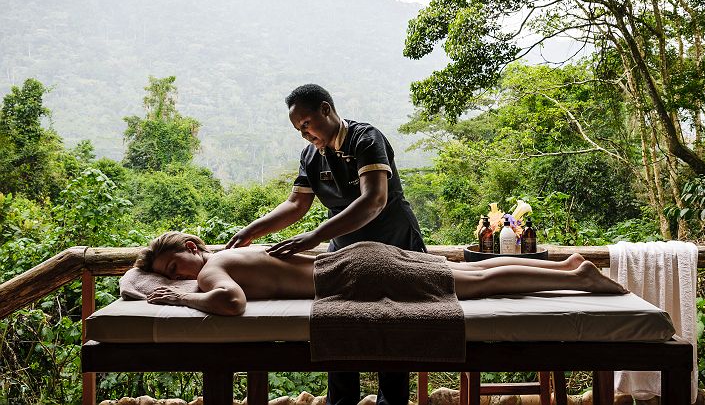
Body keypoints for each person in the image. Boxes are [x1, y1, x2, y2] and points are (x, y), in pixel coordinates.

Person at [225, 84, 427, 405]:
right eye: (298, 130)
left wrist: (315, 236)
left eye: (306, 124)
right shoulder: (311, 156)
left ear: (325, 109)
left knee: (392, 336)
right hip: (346, 254)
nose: (304, 134)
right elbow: (295, 205)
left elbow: (374, 200)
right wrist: (250, 232)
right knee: (338, 329)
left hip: (394, 246)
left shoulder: (365, 139)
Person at [138, 232, 628, 317]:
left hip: (354, 274)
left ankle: (580, 279)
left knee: (476, 285)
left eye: (173, 268)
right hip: (359, 258)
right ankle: (565, 266)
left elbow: (232, 304)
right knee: (466, 271)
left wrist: (180, 300)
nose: (178, 278)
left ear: (190, 249)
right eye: (171, 276)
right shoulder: (228, 254)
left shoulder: (212, 272)